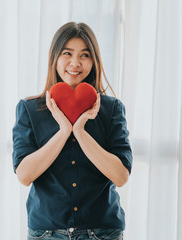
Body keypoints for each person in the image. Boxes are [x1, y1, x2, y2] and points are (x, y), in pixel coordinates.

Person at [12, 22, 132, 240]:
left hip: (102, 232)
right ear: (54, 57)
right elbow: (24, 175)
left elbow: (121, 176)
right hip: (46, 233)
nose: (75, 63)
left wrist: (80, 131)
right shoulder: (29, 109)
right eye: (67, 53)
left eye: (85, 55)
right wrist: (64, 131)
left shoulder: (112, 109)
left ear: (94, 61)